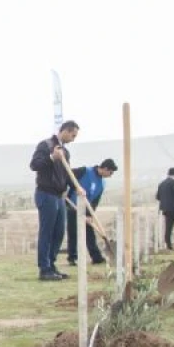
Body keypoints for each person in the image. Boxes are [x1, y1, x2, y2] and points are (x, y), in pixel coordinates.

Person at [29, 120, 79, 281]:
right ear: (65, 131)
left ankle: (51, 264)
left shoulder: (66, 152)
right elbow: (34, 165)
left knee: (59, 232)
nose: (73, 139)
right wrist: (51, 157)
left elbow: (67, 174)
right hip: (46, 194)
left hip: (59, 196)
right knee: (47, 232)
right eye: (73, 135)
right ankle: (44, 269)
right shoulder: (45, 145)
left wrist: (77, 188)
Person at [66, 159, 117, 266]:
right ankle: (72, 258)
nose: (111, 175)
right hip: (72, 206)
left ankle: (96, 257)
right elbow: (67, 175)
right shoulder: (85, 171)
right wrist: (73, 188)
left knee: (90, 233)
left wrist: (89, 215)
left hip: (86, 209)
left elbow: (95, 201)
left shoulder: (102, 184)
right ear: (105, 169)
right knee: (73, 232)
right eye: (111, 172)